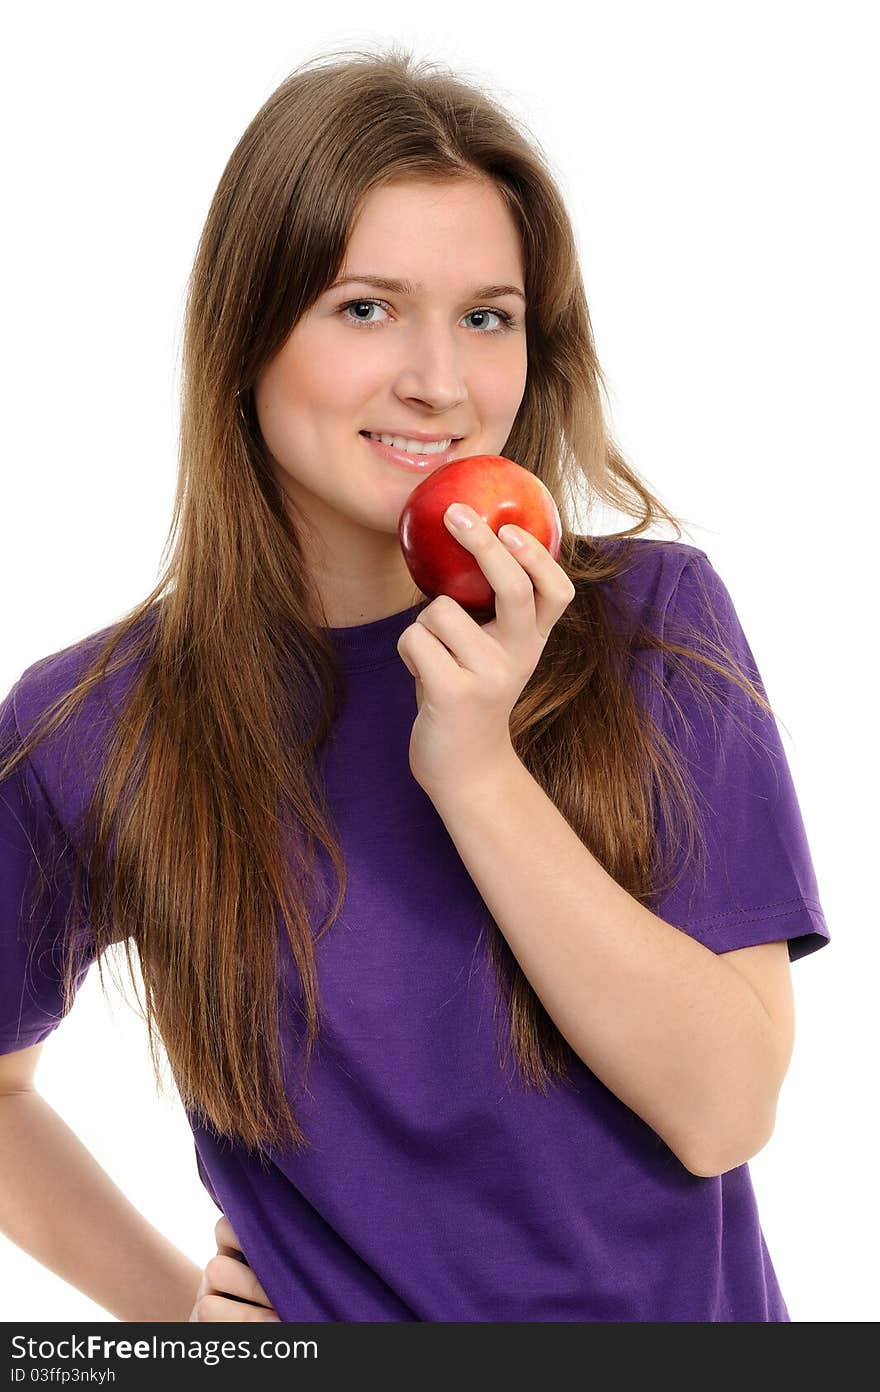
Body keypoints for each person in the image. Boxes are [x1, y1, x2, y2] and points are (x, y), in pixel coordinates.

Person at [0, 43, 830, 1324]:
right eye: (366, 307)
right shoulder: (99, 728)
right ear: (246, 336)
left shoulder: (650, 630)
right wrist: (177, 1324)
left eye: (486, 316)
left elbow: (722, 1111)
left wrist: (477, 766)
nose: (440, 383)